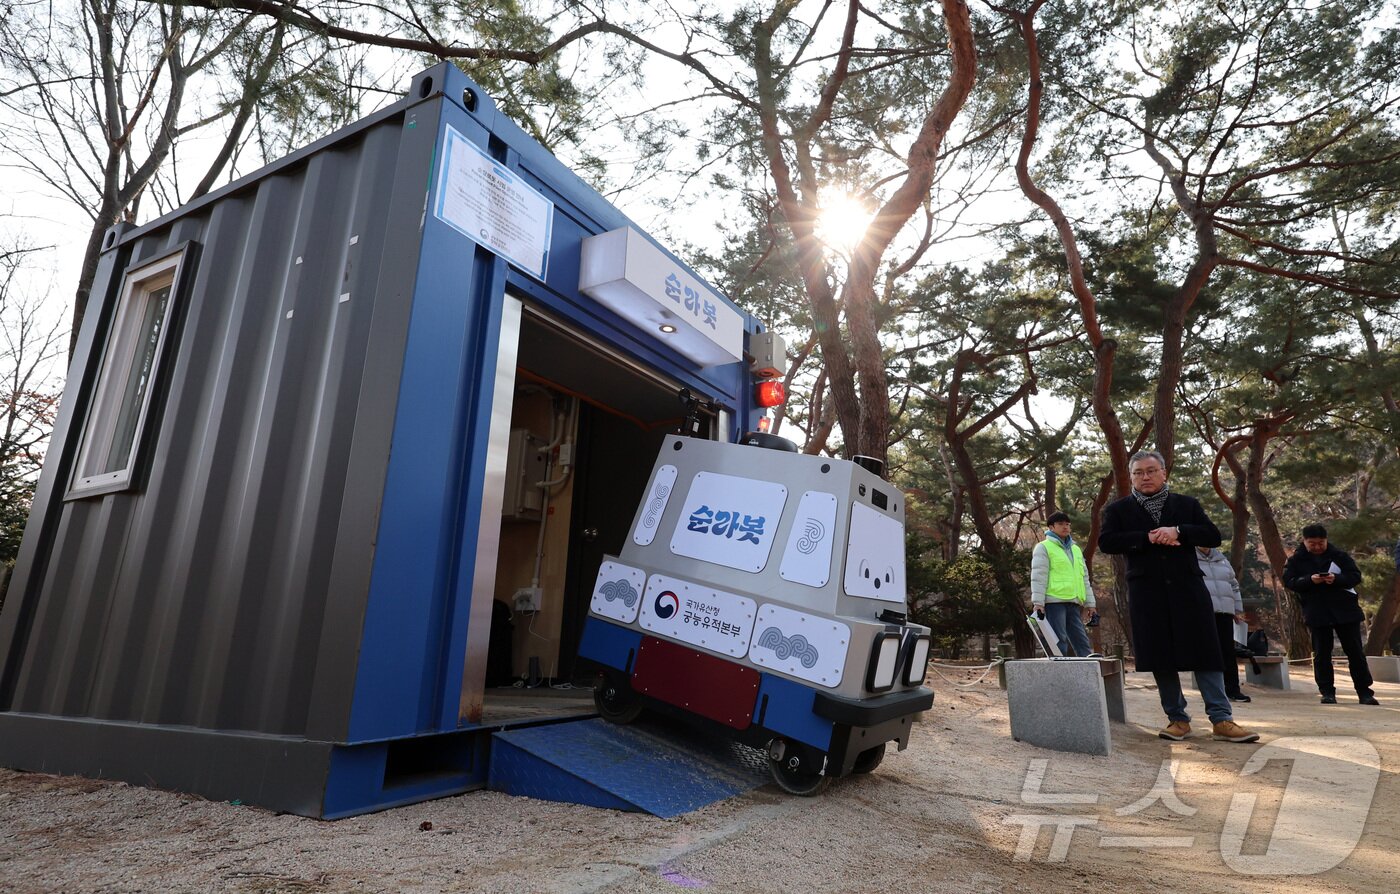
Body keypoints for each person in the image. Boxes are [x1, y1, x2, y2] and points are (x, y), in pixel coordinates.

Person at [1098, 450, 1259, 743]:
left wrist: (1179, 532)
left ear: (1163, 473)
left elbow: (1212, 535)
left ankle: (1222, 719)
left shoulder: (1186, 504)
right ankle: (1177, 718)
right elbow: (1107, 542)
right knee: (1161, 656)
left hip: (1189, 590)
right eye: (1138, 473)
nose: (1145, 477)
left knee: (1206, 653)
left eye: (1151, 471)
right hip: (1147, 593)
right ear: (1131, 477)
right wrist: (1145, 538)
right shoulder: (1118, 510)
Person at [1282, 524, 1378, 705]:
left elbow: (1355, 576)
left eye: (1321, 543)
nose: (1317, 547)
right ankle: (1327, 692)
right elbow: (1289, 581)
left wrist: (1337, 579)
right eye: (1312, 543)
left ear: (1326, 540)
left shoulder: (1340, 556)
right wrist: (1309, 580)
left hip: (1345, 610)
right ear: (1305, 541)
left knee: (1355, 652)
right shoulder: (1296, 560)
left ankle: (1365, 691)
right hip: (1317, 610)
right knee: (1321, 654)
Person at [1030, 511, 1097, 657]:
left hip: (1074, 600)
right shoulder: (1043, 547)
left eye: (1067, 524)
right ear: (1051, 527)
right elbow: (1038, 576)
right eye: (1061, 524)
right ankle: (1059, 672)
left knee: (1081, 639)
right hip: (1054, 601)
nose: (1065, 527)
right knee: (1058, 640)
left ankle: (1089, 668)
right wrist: (1038, 602)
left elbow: (1084, 578)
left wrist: (1091, 604)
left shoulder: (1076, 549)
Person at [1197, 546, 1249, 702]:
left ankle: (1233, 689)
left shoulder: (1222, 560)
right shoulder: (1189, 559)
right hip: (1202, 613)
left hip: (1225, 613)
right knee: (1207, 653)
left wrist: (1237, 609)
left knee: (1228, 652)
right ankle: (1212, 692)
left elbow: (1233, 585)